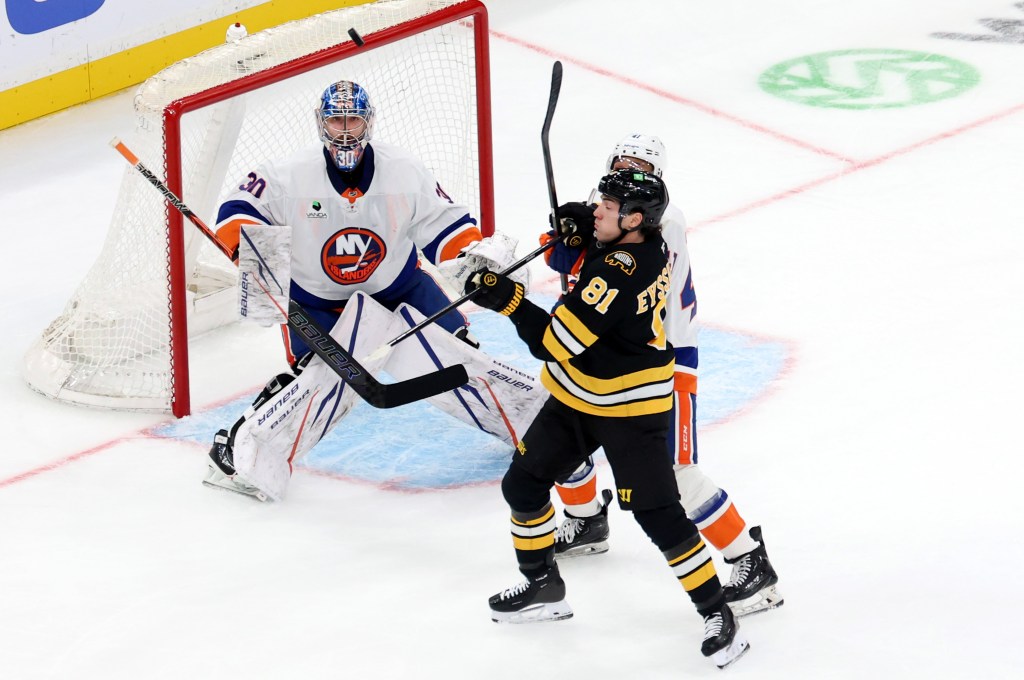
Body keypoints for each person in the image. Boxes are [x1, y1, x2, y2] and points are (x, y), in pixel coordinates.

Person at [466, 169, 749, 669]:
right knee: (523, 485)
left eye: (608, 205)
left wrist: (508, 301)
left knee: (658, 515)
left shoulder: (622, 270)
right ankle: (543, 587)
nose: (598, 208)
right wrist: (584, 233)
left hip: (631, 409)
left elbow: (557, 342)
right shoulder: (648, 241)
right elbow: (601, 264)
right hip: (580, 396)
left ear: (634, 219)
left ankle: (718, 613)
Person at [202, 80, 526, 500]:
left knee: (459, 354)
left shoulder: (404, 170)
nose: (345, 129)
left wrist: (473, 257)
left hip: (399, 287)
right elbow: (238, 208)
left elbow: (444, 225)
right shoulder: (287, 174)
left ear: (368, 121)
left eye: (352, 118)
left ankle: (529, 428)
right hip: (318, 300)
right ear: (320, 123)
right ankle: (241, 448)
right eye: (336, 119)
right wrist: (242, 244)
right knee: (316, 383)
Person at [541, 134, 783, 618]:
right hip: (611, 363)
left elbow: (621, 280)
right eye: (622, 163)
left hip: (665, 363)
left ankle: (749, 561)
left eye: (641, 165)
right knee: (557, 432)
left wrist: (580, 240)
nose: (629, 171)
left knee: (675, 472)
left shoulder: (662, 225)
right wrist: (561, 238)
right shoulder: (610, 212)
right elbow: (562, 264)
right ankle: (586, 520)